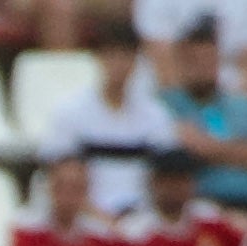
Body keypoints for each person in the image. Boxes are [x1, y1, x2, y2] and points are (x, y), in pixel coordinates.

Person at [40, 16, 180, 218]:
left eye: (126, 56)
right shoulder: (70, 113)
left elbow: (168, 178)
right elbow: (58, 179)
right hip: (87, 223)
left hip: (143, 224)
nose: (119, 64)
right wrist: (102, 220)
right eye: (112, 55)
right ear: (99, 58)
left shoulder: (156, 116)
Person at [160, 21, 247, 225]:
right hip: (208, 201)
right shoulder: (168, 106)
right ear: (181, 62)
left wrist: (215, 150)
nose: (204, 69)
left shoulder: (240, 104)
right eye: (196, 61)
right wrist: (245, 153)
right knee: (242, 225)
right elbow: (193, 149)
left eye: (210, 61)